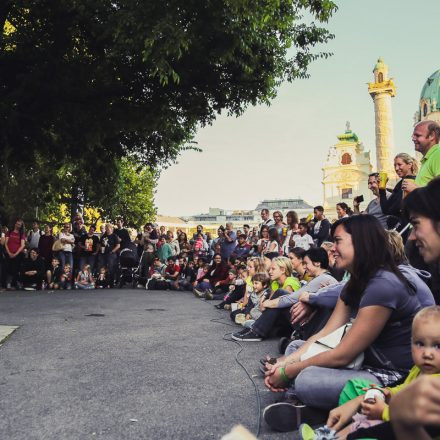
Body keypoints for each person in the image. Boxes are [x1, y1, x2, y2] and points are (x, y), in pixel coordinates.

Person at [263, 215, 433, 421]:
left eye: (337, 240)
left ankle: (316, 409)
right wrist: (284, 362)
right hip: (364, 361)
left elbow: (342, 355)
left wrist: (287, 372)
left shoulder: (384, 283)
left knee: (307, 379)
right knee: (295, 347)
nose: (332, 248)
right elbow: (325, 333)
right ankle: (318, 405)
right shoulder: (357, 279)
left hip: (393, 376)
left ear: (362, 242)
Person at [298, 306, 440, 440]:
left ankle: (340, 435)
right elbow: (403, 389)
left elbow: (420, 421)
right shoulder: (419, 369)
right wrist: (385, 392)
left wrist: (384, 411)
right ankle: (339, 430)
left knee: (367, 429)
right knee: (356, 387)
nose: (427, 353)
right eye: (420, 344)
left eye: (438, 346)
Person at [232, 256, 300, 342]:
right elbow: (269, 303)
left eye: (273, 269)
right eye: (270, 268)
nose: (270, 271)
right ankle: (256, 327)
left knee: (280, 294)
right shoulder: (275, 282)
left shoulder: (291, 282)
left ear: (283, 270)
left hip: (292, 318)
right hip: (279, 318)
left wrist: (265, 303)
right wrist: (264, 300)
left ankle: (257, 331)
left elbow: (281, 303)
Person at [378, 153, 418, 230]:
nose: (396, 168)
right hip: (398, 229)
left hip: (406, 229)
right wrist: (382, 189)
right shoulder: (400, 183)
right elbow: (386, 209)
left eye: (399, 165)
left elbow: (399, 209)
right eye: (395, 165)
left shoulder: (411, 182)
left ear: (409, 165)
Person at [403, 120, 440, 193]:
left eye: (418, 135)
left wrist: (415, 189)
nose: (413, 139)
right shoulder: (427, 159)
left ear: (431, 136)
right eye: (413, 136)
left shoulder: (437, 154)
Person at [5, 219, 26, 289]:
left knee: (16, 269)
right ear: (15, 224)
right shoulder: (9, 232)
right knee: (8, 269)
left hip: (17, 254)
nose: (18, 225)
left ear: (21, 226)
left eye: (19, 225)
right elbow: (6, 243)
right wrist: (9, 253)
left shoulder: (21, 234)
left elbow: (22, 245)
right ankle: (7, 283)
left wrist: (15, 254)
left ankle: (14, 284)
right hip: (8, 253)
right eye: (17, 224)